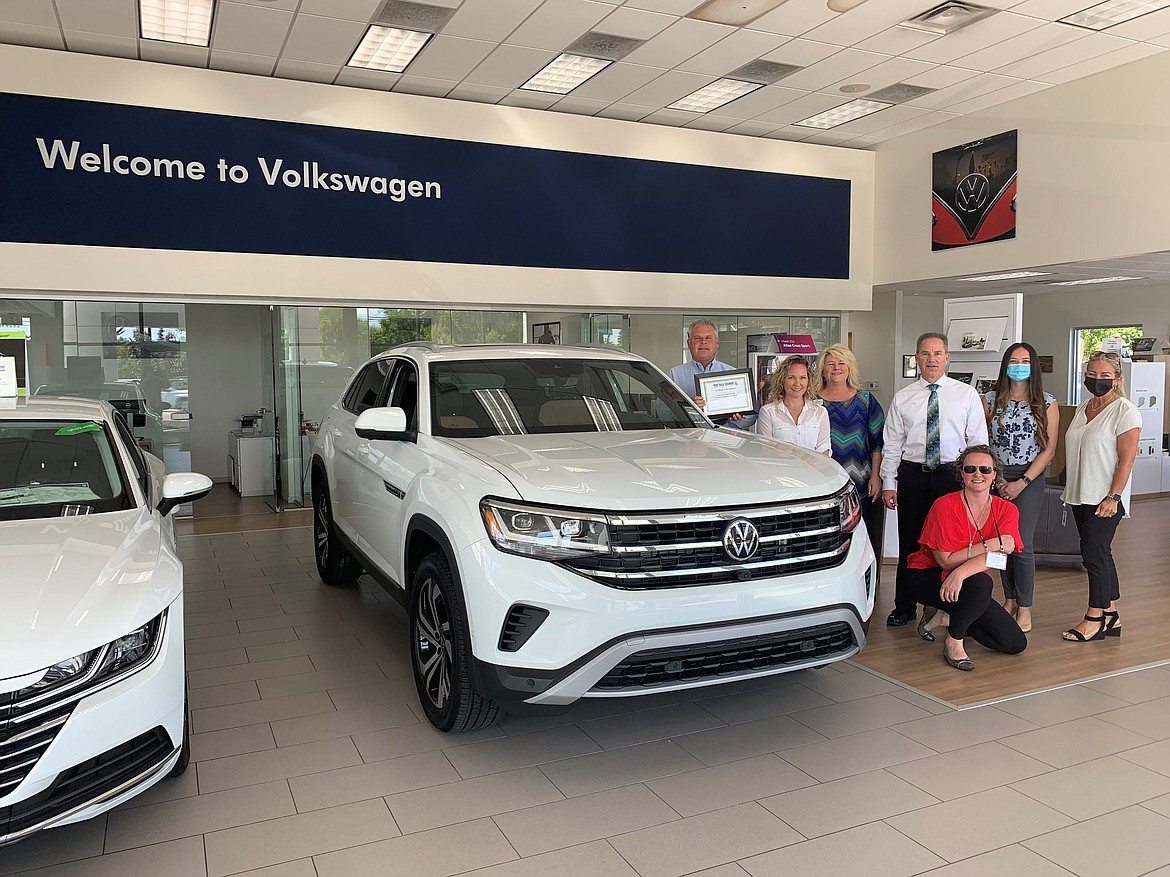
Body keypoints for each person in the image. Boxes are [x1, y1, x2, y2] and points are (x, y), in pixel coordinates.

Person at [881, 332, 988, 627]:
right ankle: (904, 605)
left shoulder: (965, 395)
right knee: (912, 543)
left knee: (950, 543)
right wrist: (889, 482)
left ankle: (946, 603)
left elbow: (978, 441)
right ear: (917, 359)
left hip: (952, 476)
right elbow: (892, 445)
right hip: (914, 475)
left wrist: (976, 482)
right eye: (925, 354)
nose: (931, 359)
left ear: (947, 357)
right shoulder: (903, 398)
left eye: (937, 353)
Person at [906, 445, 1028, 670]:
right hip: (927, 576)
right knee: (982, 582)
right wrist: (991, 544)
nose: (978, 474)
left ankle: (944, 618)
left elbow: (1001, 557)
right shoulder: (943, 505)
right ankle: (954, 641)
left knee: (1014, 643)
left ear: (995, 475)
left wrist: (961, 572)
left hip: (966, 583)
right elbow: (944, 560)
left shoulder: (1007, 510)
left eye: (985, 469)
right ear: (961, 473)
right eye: (970, 468)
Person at [1060, 350, 1141, 642]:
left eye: (1105, 376)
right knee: (1099, 553)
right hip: (1081, 493)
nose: (1097, 380)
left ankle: (1094, 618)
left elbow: (1126, 459)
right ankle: (1112, 614)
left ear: (1117, 379)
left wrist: (1114, 497)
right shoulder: (1085, 407)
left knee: (1092, 554)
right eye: (1092, 375)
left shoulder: (1125, 411)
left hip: (1105, 498)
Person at [982, 342, 1059, 634]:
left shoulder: (1046, 402)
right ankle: (1010, 598)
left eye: (1025, 360)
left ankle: (1025, 606)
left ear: (1034, 366)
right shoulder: (989, 399)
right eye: (1014, 360)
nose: (1019, 365)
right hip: (994, 478)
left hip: (1029, 478)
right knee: (1000, 543)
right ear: (1005, 365)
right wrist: (998, 480)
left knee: (1022, 544)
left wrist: (1022, 482)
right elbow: (983, 440)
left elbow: (1049, 449)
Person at [814, 343, 885, 559]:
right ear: (823, 370)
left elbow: (878, 442)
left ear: (849, 368)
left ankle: (869, 588)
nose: (836, 368)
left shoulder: (865, 401)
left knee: (867, 539)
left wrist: (876, 476)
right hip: (823, 483)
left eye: (841, 363)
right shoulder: (812, 401)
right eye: (830, 364)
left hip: (862, 481)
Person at [666, 320, 754, 430]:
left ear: (717, 343)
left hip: (726, 439)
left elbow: (751, 417)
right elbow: (662, 413)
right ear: (689, 343)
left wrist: (737, 420)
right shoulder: (673, 376)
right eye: (697, 338)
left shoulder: (735, 376)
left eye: (708, 338)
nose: (703, 342)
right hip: (688, 441)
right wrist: (689, 408)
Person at [755, 354, 830, 453]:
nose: (797, 383)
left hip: (812, 468)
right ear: (782, 380)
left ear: (808, 380)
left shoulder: (820, 412)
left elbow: (824, 450)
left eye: (802, 378)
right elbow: (766, 450)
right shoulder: (767, 412)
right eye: (791, 378)